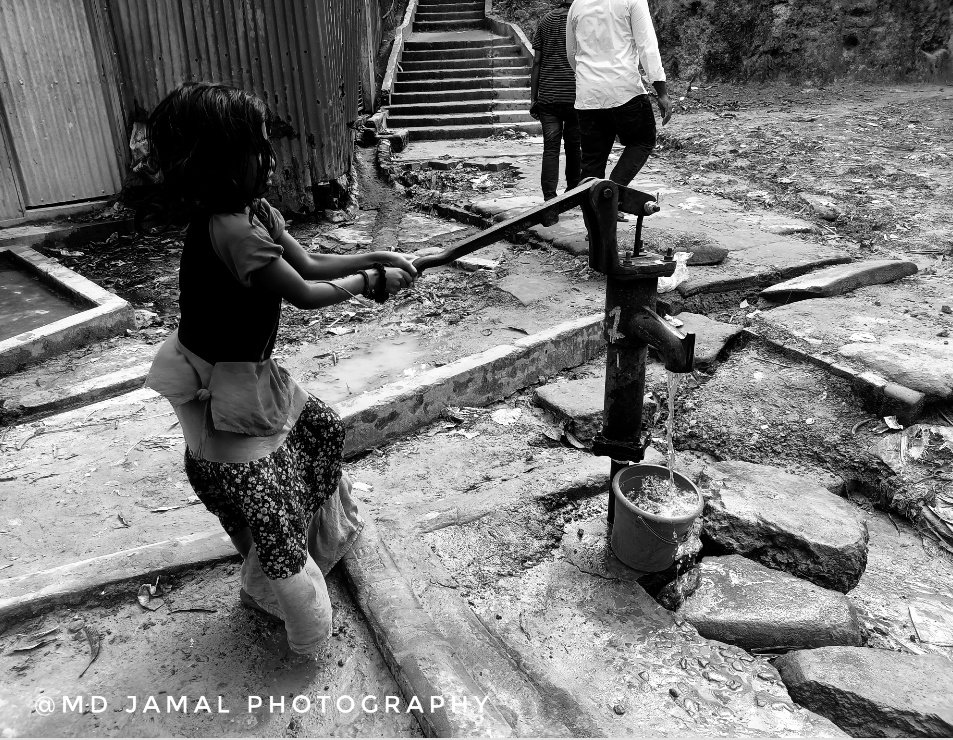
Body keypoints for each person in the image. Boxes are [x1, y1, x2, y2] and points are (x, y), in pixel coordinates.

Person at [139, 82, 418, 658]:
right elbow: (306, 293)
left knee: (319, 428)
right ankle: (301, 627)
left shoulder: (255, 212)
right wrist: (370, 284)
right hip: (217, 379)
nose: (270, 158)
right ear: (215, 161)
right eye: (257, 148)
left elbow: (312, 262)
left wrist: (374, 256)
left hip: (245, 369)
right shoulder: (232, 231)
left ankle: (305, 543)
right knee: (252, 493)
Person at [566, 0, 673, 190]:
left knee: (592, 162)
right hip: (624, 90)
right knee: (643, 140)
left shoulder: (577, 4)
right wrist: (661, 91)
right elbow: (647, 46)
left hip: (588, 95)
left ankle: (597, 207)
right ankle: (612, 192)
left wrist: (589, 78)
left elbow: (571, 52)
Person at [530, 0, 580, 226]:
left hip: (549, 96)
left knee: (551, 148)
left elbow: (537, 62)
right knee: (573, 145)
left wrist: (534, 98)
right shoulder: (580, 19)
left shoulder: (545, 21)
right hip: (574, 95)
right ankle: (572, 194)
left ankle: (550, 201)